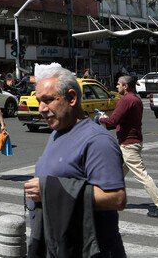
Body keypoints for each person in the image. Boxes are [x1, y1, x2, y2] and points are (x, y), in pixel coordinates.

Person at [24, 65, 126, 257]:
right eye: (39, 101)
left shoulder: (98, 140)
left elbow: (116, 198)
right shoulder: (56, 133)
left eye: (48, 100)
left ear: (71, 98)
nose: (41, 109)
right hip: (61, 245)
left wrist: (48, 190)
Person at [98, 75, 158, 218]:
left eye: (118, 84)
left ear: (125, 86)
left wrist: (100, 118)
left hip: (129, 144)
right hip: (130, 142)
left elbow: (113, 121)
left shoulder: (126, 100)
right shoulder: (135, 99)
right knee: (117, 173)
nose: (116, 86)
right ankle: (110, 200)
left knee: (142, 175)